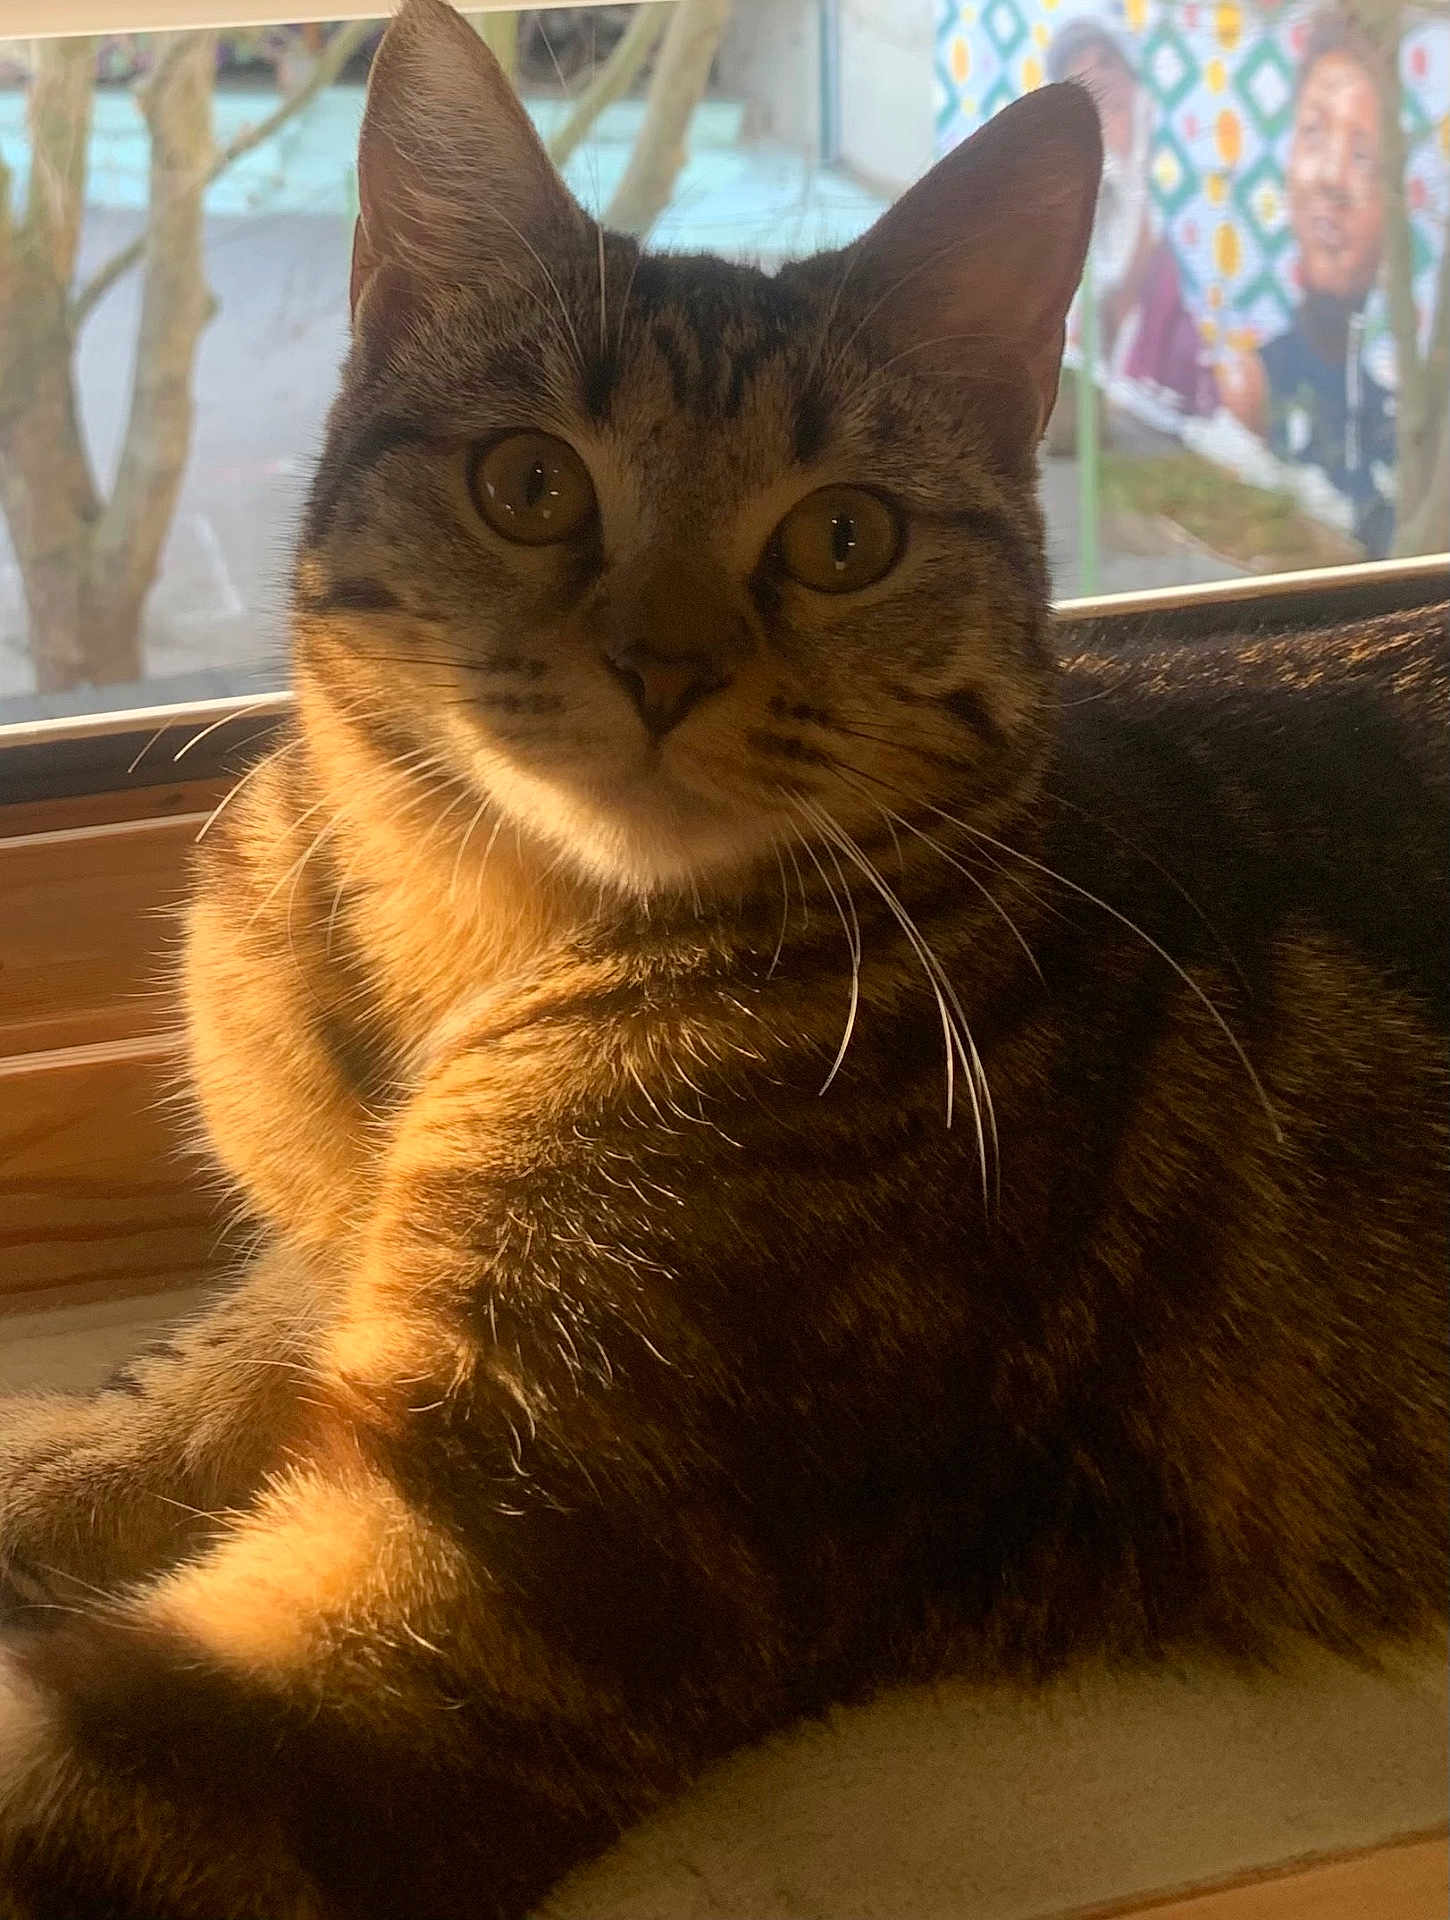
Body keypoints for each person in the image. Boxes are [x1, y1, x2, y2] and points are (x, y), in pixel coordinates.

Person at [1219, 11, 1396, 555]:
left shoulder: (1404, 402)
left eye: (1363, 154)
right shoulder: (1253, 386)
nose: (1330, 178)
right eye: (1313, 134)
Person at [1048, 16, 1218, 421]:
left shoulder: (1182, 295)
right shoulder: (1066, 269)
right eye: (1086, 111)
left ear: (1142, 105)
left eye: (1112, 104)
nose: (1101, 128)